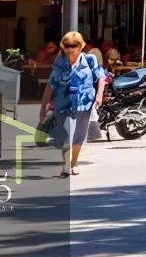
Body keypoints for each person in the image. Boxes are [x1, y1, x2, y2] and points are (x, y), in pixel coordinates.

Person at [41, 31, 105, 177]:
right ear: (63, 47)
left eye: (74, 45)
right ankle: (66, 164)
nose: (70, 49)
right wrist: (43, 107)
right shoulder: (60, 63)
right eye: (67, 45)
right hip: (63, 103)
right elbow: (50, 85)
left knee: (79, 135)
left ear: (81, 46)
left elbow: (101, 78)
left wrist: (99, 95)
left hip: (84, 103)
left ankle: (73, 162)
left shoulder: (90, 60)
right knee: (65, 135)